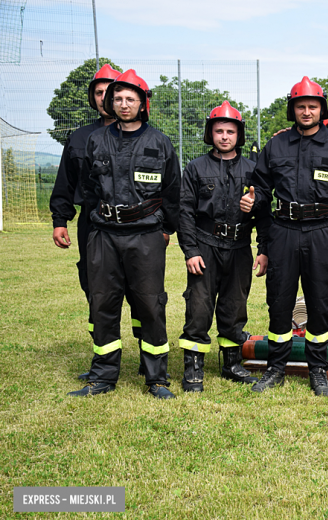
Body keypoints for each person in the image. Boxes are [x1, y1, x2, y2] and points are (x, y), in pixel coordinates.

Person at [240, 76, 328, 396]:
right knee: (279, 302)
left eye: (312, 106)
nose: (307, 111)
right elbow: (261, 193)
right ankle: (275, 369)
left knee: (318, 301)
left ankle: (318, 371)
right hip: (283, 229)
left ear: (321, 109)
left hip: (321, 231)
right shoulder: (276, 145)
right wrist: (251, 203)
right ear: (292, 109)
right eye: (301, 106)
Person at [68, 69, 181, 399]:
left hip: (145, 235)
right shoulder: (96, 140)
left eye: (130, 98)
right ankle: (102, 376)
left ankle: (156, 377)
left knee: (149, 304)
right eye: (117, 98)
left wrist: (166, 229)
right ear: (109, 102)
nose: (123, 103)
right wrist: (94, 222)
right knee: (103, 303)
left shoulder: (159, 142)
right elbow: (88, 187)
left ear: (143, 104)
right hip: (103, 235)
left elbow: (172, 191)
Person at [50, 64, 148, 380]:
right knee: (98, 292)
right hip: (93, 224)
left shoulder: (143, 136)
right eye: (99, 91)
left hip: (135, 224)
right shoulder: (80, 137)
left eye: (111, 91)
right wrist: (59, 219)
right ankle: (104, 363)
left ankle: (149, 360)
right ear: (94, 98)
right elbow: (65, 180)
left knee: (140, 291)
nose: (105, 96)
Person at [178, 101, 267, 392]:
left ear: (239, 135)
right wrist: (190, 252)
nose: (225, 136)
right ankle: (193, 370)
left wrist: (256, 209)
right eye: (219, 131)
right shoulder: (195, 168)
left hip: (240, 247)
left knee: (234, 306)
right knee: (199, 307)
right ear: (210, 133)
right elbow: (185, 212)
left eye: (230, 131)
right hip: (205, 245)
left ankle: (232, 364)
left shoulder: (253, 170)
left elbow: (265, 210)